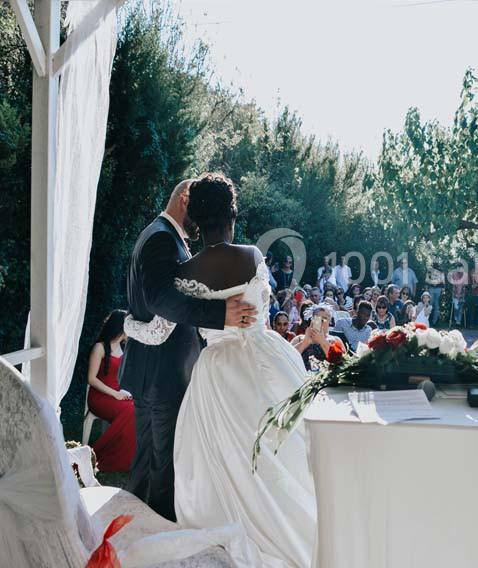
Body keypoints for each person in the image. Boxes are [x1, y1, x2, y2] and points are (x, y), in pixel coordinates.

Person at [123, 174, 314, 564]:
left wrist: (127, 325)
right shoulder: (252, 256)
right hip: (264, 360)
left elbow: (164, 316)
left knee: (214, 457)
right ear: (232, 213)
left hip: (213, 370)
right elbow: (261, 301)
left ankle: (221, 522)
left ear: (195, 215)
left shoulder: (188, 269)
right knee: (279, 449)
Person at [120, 178, 252, 521]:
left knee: (152, 462)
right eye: (193, 209)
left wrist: (128, 326)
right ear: (183, 199)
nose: (197, 218)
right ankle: (155, 536)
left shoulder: (161, 236)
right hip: (162, 374)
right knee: (163, 465)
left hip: (158, 370)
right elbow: (161, 300)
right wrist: (221, 314)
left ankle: (134, 532)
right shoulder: (162, 238)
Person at [86, 310, 136, 472]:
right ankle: (102, 454)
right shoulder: (99, 348)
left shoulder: (123, 349)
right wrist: (115, 394)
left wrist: (124, 392)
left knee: (138, 407)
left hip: (116, 394)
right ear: (121, 327)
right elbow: (91, 379)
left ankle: (128, 456)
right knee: (130, 410)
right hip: (99, 398)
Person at [293, 305, 343, 370]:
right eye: (318, 318)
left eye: (324, 318)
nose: (321, 321)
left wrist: (323, 342)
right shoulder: (299, 339)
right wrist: (304, 343)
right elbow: (288, 359)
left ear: (329, 321)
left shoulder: (335, 340)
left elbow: (342, 364)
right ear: (312, 320)